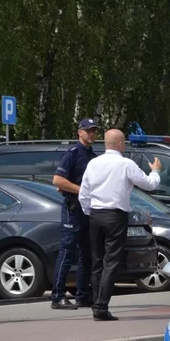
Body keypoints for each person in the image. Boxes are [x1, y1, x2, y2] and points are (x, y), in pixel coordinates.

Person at [78, 129, 162, 320]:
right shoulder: (126, 164)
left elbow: (84, 193)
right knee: (111, 261)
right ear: (121, 144)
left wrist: (89, 212)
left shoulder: (93, 163)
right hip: (115, 215)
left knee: (97, 261)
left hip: (95, 215)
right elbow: (149, 184)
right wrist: (155, 171)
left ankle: (96, 303)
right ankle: (101, 306)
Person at [49, 118, 98, 310]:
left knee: (87, 254)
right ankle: (58, 296)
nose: (92, 134)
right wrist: (80, 190)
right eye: (88, 130)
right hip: (72, 210)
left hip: (87, 210)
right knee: (67, 252)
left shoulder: (92, 156)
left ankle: (83, 294)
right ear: (79, 132)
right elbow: (58, 180)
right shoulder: (72, 154)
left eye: (94, 131)